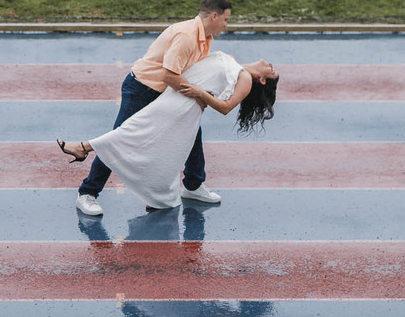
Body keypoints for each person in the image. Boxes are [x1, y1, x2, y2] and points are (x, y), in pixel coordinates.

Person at [63, 0, 233, 217]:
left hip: (166, 93)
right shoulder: (187, 36)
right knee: (119, 139)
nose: (227, 25)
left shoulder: (205, 37)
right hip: (142, 90)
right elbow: (169, 75)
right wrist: (198, 95)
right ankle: (87, 193)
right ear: (214, 16)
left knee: (192, 133)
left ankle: (193, 186)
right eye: (226, 19)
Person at [58, 50, 278, 211]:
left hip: (182, 103)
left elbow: (226, 107)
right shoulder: (234, 62)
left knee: (137, 131)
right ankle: (179, 188)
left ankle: (83, 148)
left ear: (262, 79)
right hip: (175, 96)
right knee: (160, 138)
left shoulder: (246, 79)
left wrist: (200, 93)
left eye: (272, 71)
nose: (270, 64)